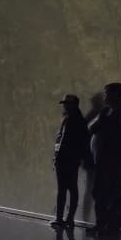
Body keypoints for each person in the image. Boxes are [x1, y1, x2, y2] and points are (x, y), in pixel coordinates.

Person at [87, 83, 121, 234]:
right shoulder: (105, 112)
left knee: (113, 193)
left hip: (116, 161)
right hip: (101, 159)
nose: (105, 96)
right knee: (98, 192)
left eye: (107, 93)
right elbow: (91, 128)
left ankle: (112, 226)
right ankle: (101, 223)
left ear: (117, 94)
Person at [52, 94, 90, 228]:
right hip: (67, 159)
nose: (64, 106)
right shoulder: (71, 119)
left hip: (67, 159)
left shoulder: (74, 120)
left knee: (66, 189)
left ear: (74, 105)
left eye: (67, 103)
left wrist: (58, 157)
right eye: (64, 103)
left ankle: (63, 218)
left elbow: (67, 141)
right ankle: (66, 218)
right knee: (68, 189)